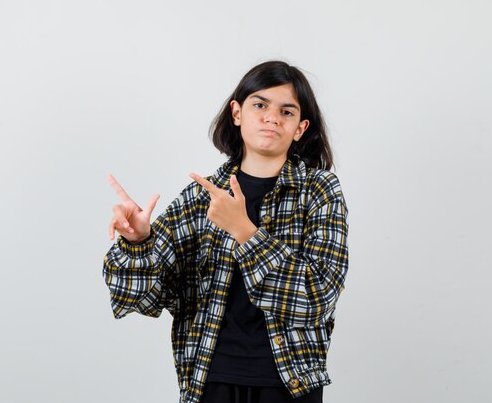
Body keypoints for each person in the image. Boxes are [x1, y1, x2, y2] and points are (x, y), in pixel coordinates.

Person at [103, 60, 349, 403]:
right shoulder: (203, 197)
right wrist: (139, 242)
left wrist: (245, 232)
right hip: (211, 379)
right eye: (259, 105)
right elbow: (141, 298)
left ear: (300, 128)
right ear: (237, 113)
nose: (271, 117)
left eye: (287, 111)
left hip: (291, 384)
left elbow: (317, 297)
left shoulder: (320, 190)